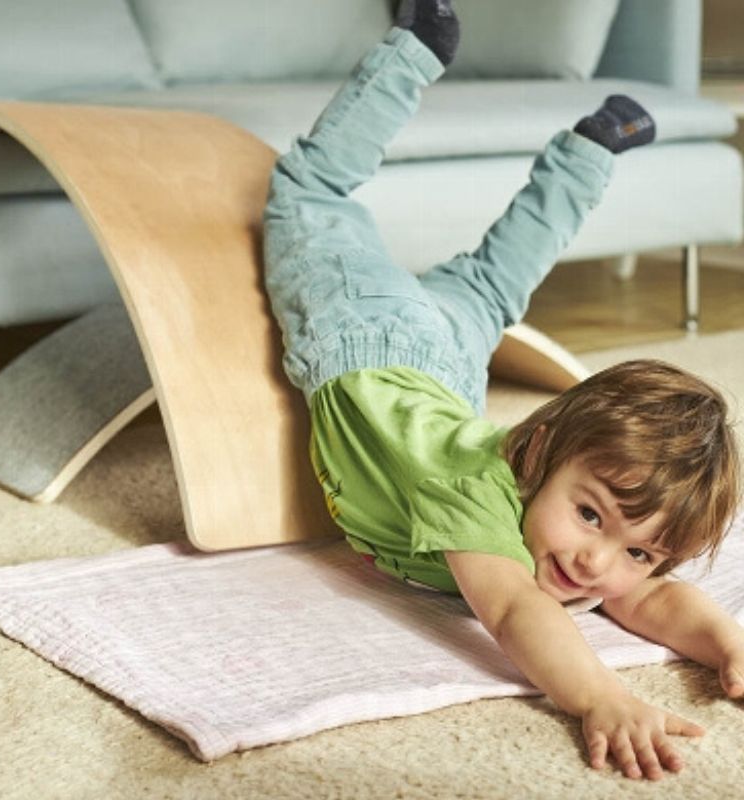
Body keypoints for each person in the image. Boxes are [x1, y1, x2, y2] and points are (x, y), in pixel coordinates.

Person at [262, 0, 742, 782]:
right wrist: (601, 697)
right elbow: (518, 613)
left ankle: (592, 150)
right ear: (541, 446)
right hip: (373, 335)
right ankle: (414, 48)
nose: (594, 564)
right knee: (308, 193)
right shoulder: (476, 501)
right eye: (589, 514)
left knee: (492, 285)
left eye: (638, 548)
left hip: (446, 370)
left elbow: (651, 602)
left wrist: (729, 644)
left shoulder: (590, 545)